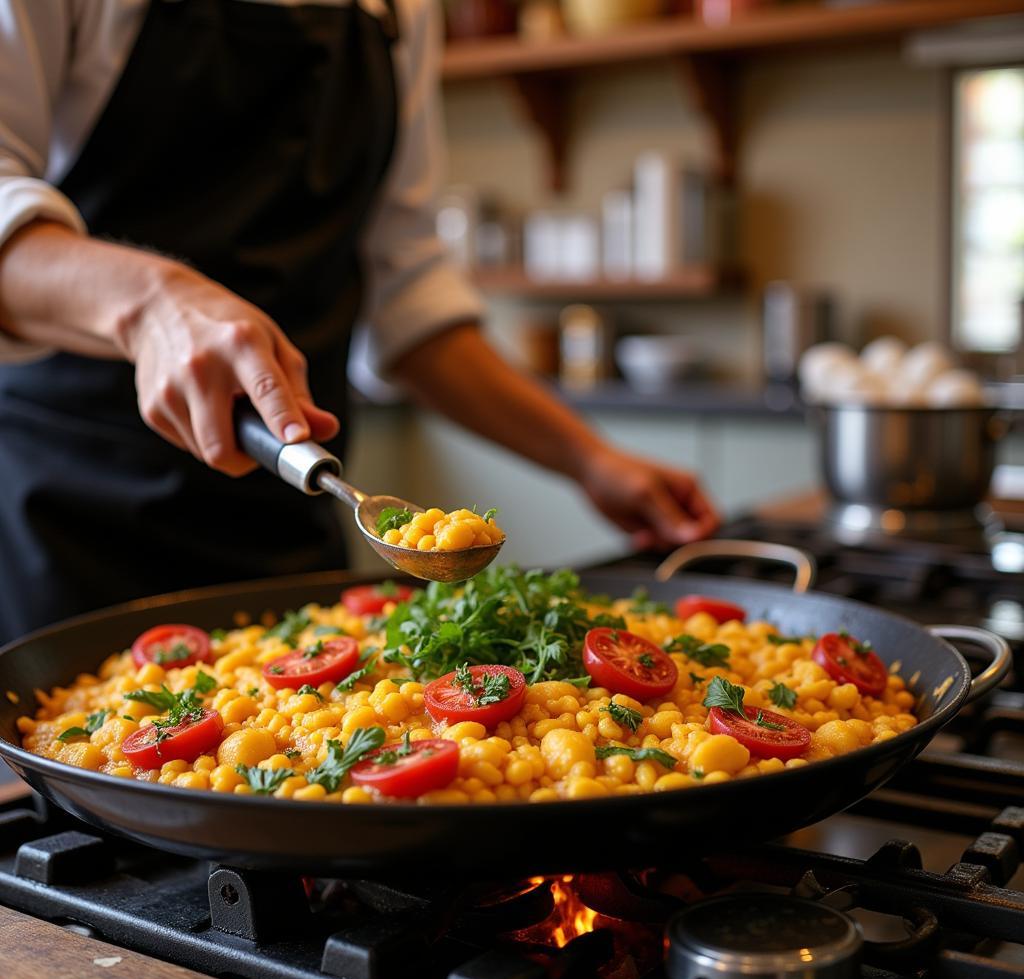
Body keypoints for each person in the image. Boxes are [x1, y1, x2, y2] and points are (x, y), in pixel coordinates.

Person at [0, 0, 718, 644]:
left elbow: (411, 303)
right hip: (64, 528)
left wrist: (591, 461)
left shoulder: (400, 11)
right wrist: (152, 304)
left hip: (291, 514)